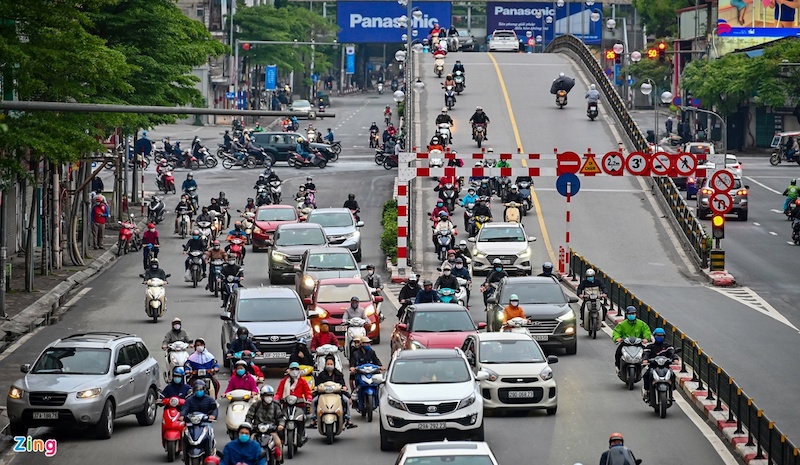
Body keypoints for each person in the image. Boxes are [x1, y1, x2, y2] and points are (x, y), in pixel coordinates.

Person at [311, 355, 356, 429]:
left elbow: (342, 385)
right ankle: (313, 418)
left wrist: (344, 388)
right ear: (325, 365)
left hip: (337, 394)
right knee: (314, 401)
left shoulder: (338, 374)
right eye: (328, 364)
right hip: (323, 395)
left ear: (334, 365)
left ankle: (348, 419)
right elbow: (317, 384)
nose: (329, 366)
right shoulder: (321, 374)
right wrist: (316, 387)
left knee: (347, 400)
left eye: (331, 364)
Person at [244, 386, 285, 463]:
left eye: (271, 395)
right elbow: (249, 416)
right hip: (257, 430)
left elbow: (281, 417)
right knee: (249, 442)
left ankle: (279, 459)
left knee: (278, 443)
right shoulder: (256, 405)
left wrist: (281, 425)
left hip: (271, 430)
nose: (269, 398)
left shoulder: (276, 406)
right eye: (267, 395)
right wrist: (248, 424)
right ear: (262, 396)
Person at [641, 327, 678, 402]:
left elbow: (672, 353)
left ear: (664, 337)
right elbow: (646, 354)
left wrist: (675, 359)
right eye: (658, 336)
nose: (659, 337)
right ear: (654, 336)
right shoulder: (650, 347)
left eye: (661, 336)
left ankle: (671, 392)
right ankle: (647, 391)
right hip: (653, 367)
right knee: (646, 375)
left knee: (673, 375)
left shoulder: (668, 346)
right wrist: (645, 359)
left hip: (665, 367)